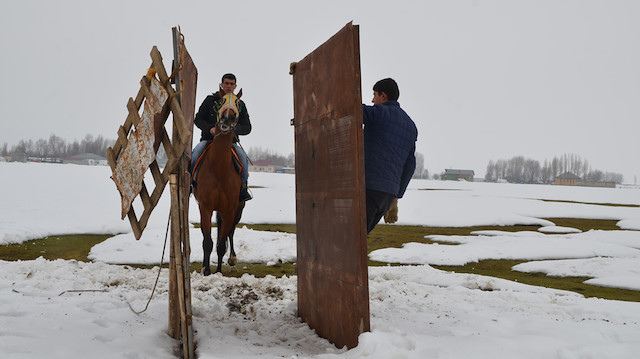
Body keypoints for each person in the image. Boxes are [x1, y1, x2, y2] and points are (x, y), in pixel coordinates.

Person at [362, 78, 418, 233]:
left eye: (374, 95)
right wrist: (396, 197)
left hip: (368, 188)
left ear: (383, 95)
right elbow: (410, 166)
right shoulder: (410, 126)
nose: (372, 100)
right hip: (387, 196)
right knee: (359, 239)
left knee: (351, 240)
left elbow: (351, 109)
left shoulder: (380, 113)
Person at [192, 73, 252, 201]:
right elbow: (198, 119)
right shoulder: (210, 100)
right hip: (208, 140)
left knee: (243, 157)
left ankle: (243, 188)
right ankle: (191, 184)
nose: (229, 86)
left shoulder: (240, 104)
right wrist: (210, 128)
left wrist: (234, 130)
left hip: (231, 143)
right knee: (196, 153)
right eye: (226, 83)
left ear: (235, 86)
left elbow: (247, 127)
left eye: (231, 84)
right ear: (221, 84)